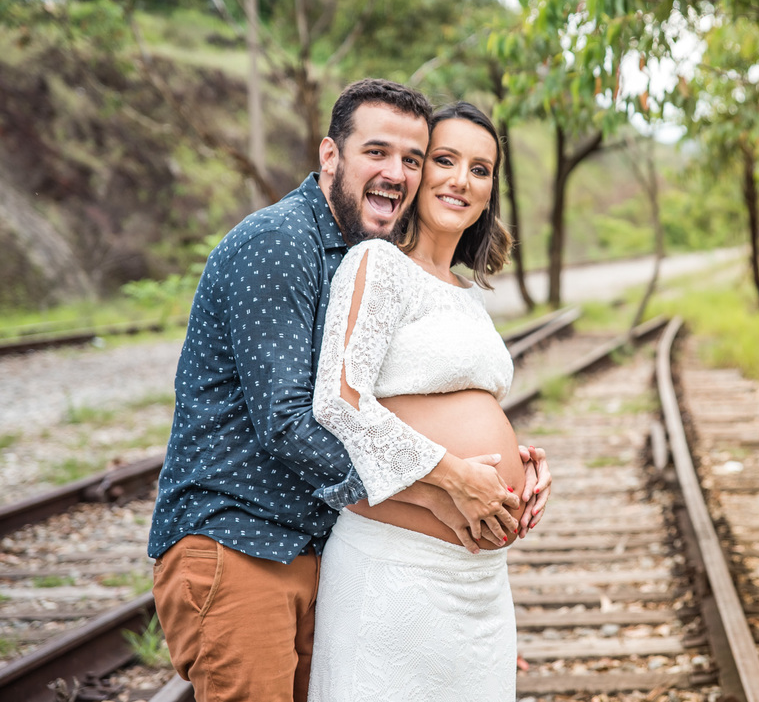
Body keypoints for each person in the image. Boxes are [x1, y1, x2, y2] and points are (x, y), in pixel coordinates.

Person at [148, 79, 550, 702]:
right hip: (240, 539)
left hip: (310, 542)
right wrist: (445, 486)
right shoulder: (280, 244)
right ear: (330, 156)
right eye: (377, 153)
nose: (397, 173)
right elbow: (292, 422)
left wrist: (506, 475)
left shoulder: (362, 252)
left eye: (411, 160)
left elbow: (399, 400)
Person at [307, 101, 530, 701]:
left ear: (490, 193)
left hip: (480, 585)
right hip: (397, 574)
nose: (462, 179)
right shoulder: (377, 264)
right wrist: (455, 474)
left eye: (480, 169)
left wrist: (524, 464)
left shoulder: (469, 295)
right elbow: (340, 399)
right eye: (445, 160)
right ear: (419, 172)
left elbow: (465, 405)